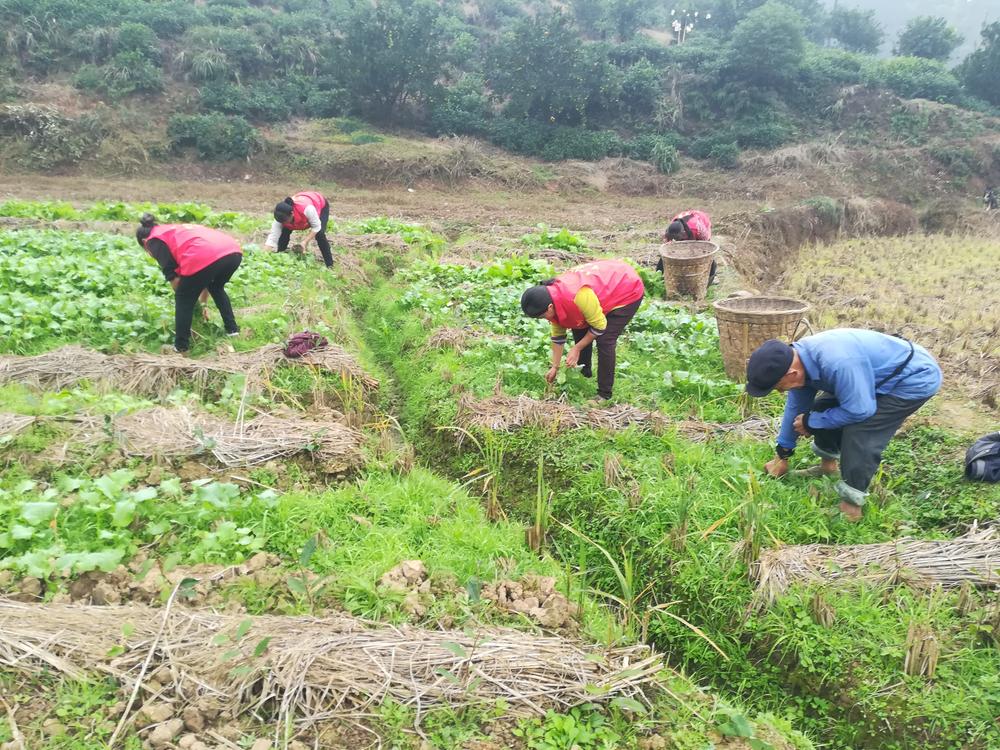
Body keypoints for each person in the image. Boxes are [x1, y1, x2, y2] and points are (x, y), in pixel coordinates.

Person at [745, 329, 942, 521]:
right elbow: (796, 408)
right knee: (820, 409)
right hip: (870, 377)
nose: (779, 392)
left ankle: (851, 508)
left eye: (778, 387)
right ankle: (827, 467)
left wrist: (812, 423)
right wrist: (783, 454)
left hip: (913, 378)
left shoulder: (837, 363)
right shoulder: (799, 362)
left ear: (791, 374)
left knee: (862, 430)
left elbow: (860, 411)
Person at [520, 260, 645, 402]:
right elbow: (558, 336)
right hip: (602, 285)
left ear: (549, 307)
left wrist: (577, 348)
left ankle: (604, 394)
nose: (544, 320)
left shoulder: (578, 296)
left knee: (605, 340)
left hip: (626, 287)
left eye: (542, 317)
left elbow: (599, 326)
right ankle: (584, 373)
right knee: (578, 324)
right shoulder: (553, 299)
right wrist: (554, 367)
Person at [136, 214, 243, 354]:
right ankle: (232, 331)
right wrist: (203, 304)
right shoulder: (170, 229)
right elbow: (205, 277)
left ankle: (181, 347)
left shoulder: (153, 241)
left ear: (144, 243)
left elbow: (175, 280)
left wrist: (188, 299)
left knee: (183, 298)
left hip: (205, 254)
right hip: (232, 251)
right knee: (216, 287)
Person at [264, 191, 333, 267]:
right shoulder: (280, 217)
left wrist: (304, 242)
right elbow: (273, 238)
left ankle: (330, 265)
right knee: (285, 230)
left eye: (286, 221)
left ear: (292, 214)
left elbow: (316, 227)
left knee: (320, 234)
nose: (284, 223)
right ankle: (282, 257)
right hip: (301, 205)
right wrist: (264, 256)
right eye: (282, 222)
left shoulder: (307, 209)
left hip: (319, 203)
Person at [656, 209, 717, 285]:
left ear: (683, 233)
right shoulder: (670, 231)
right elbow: (666, 251)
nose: (675, 240)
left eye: (678, 238)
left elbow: (706, 246)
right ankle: (657, 278)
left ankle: (710, 277)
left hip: (701, 220)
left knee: (704, 255)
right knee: (666, 255)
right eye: (674, 239)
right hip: (686, 226)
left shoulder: (698, 228)